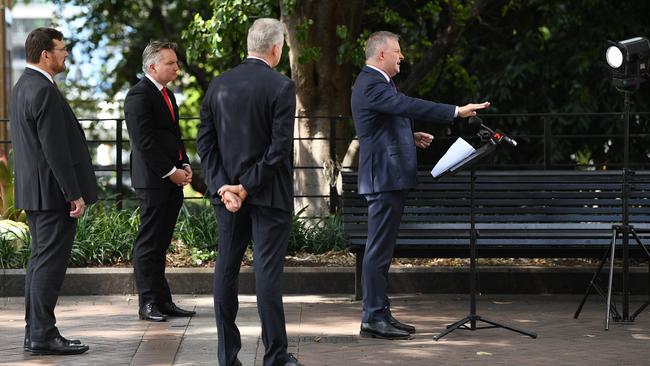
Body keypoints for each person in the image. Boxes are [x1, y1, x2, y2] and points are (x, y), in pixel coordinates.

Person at [351, 31, 490, 340]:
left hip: (388, 177)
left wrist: (409, 136)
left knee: (382, 251)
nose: (402, 56)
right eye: (397, 51)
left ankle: (380, 313)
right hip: (383, 178)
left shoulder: (378, 83)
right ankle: (372, 318)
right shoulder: (371, 83)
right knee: (377, 252)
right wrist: (455, 112)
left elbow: (381, 123)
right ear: (381, 55)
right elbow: (407, 106)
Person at [197, 18, 302, 366]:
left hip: (227, 197)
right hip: (268, 195)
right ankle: (275, 356)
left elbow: (205, 146)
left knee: (225, 273)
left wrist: (223, 187)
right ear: (275, 48)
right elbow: (279, 148)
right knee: (267, 275)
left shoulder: (217, 86)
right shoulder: (282, 86)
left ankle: (227, 357)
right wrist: (245, 186)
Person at [10, 27, 96, 355]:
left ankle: (37, 333)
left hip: (37, 193)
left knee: (39, 263)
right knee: (48, 265)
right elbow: (54, 150)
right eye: (61, 49)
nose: (65, 54)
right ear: (45, 54)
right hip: (52, 194)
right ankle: (43, 334)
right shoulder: (42, 90)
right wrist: (73, 193)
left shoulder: (22, 87)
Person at [124, 41, 195, 322]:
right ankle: (148, 302)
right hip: (154, 181)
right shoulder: (138, 96)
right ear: (153, 66)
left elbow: (173, 137)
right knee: (149, 243)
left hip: (171, 179)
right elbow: (144, 143)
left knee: (162, 243)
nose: (177, 68)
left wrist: (185, 163)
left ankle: (163, 301)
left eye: (176, 63)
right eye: (170, 63)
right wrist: (170, 171)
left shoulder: (168, 95)